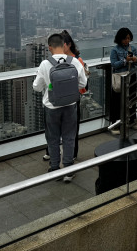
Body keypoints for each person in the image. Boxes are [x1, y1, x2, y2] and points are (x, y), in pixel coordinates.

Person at [33, 33, 87, 182]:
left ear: (50, 47)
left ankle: (55, 169)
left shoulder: (45, 64)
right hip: (70, 105)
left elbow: (37, 87)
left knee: (53, 138)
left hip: (51, 106)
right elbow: (83, 84)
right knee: (69, 137)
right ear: (64, 45)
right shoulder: (74, 62)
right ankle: (68, 170)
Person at [62, 30, 90, 161]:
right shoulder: (58, 59)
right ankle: (52, 151)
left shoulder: (77, 60)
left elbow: (83, 84)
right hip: (60, 98)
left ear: (68, 45)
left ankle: (73, 153)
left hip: (73, 98)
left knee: (73, 127)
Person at [109, 27, 137, 133]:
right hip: (119, 77)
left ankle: (132, 120)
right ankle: (115, 124)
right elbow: (114, 64)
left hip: (131, 75)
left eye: (128, 38)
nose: (127, 40)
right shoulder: (115, 50)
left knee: (132, 99)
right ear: (120, 39)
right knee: (117, 101)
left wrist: (135, 59)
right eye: (125, 38)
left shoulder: (132, 48)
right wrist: (125, 61)